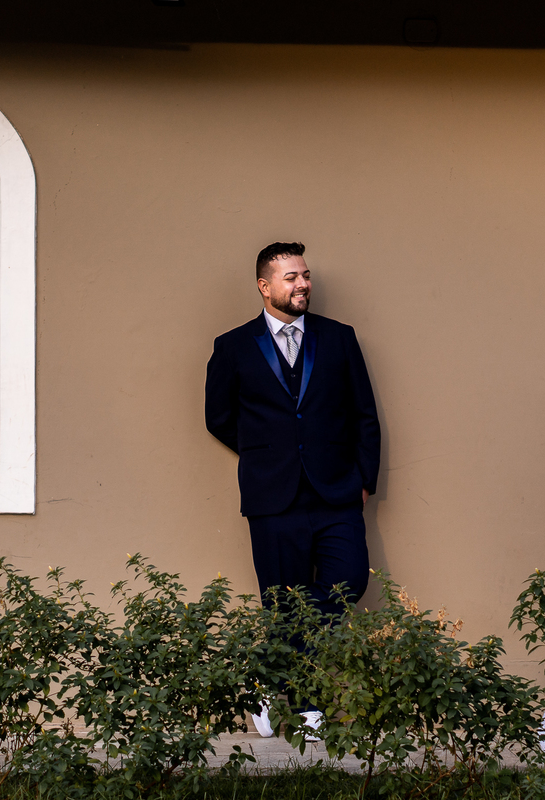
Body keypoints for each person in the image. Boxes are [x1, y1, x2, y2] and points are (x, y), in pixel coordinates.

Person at [205, 241, 380, 738]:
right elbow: (217, 417)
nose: (302, 284)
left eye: (305, 275)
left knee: (347, 584)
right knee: (283, 600)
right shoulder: (232, 346)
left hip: (336, 492)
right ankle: (308, 712)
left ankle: (269, 668)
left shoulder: (339, 338)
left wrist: (363, 479)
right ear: (265, 286)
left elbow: (364, 412)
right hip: (272, 496)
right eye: (291, 278)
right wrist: (266, 452)